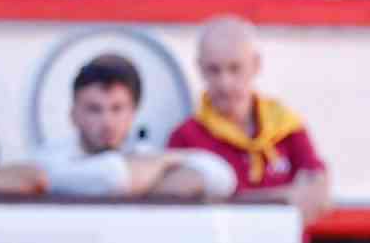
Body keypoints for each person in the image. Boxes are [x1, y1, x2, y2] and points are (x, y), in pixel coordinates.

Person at [165, 17, 332, 224]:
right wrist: (286, 196)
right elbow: (181, 211)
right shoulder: (185, 137)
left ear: (256, 65)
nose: (225, 83)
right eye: (214, 70)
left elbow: (319, 195)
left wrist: (234, 199)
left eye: (235, 68)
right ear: (200, 68)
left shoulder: (285, 125)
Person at [31, 53, 236, 201]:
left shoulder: (146, 155)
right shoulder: (48, 160)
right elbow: (110, 178)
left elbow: (221, 175)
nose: (107, 121)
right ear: (73, 114)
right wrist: (149, 178)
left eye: (117, 109)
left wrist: (158, 176)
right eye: (94, 109)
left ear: (133, 113)